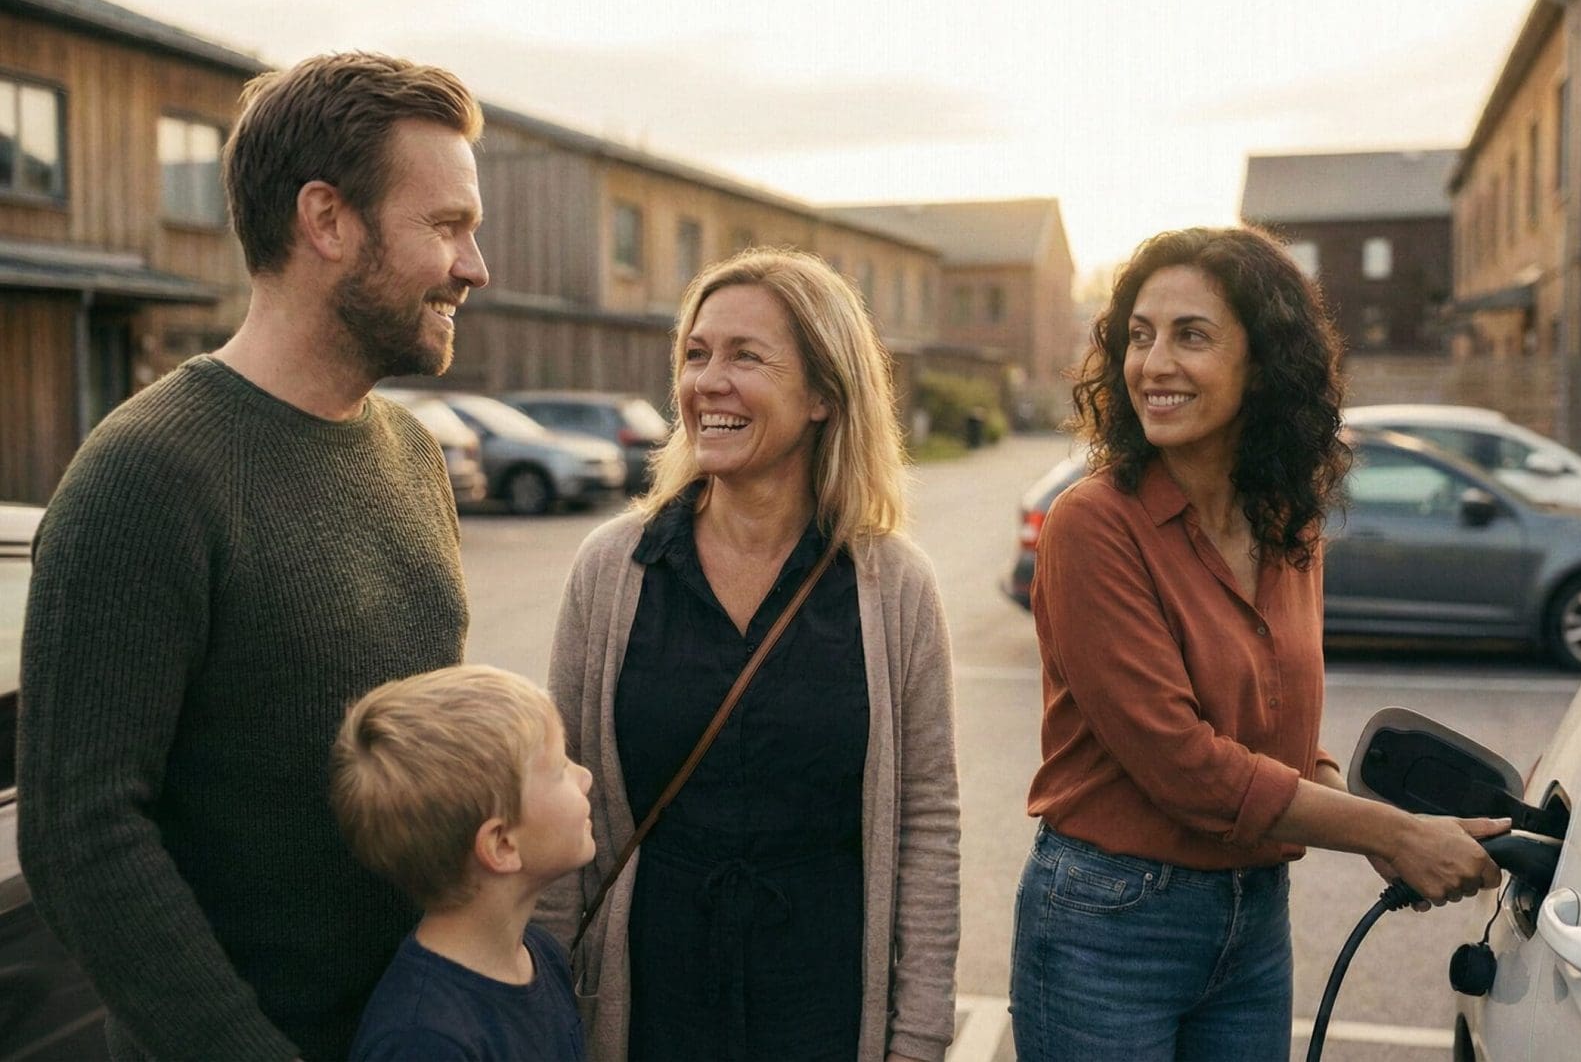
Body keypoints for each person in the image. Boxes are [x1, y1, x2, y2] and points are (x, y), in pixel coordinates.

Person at [17, 52, 488, 1059]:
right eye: (446, 227)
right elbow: (81, 834)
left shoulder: (412, 458)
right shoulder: (143, 478)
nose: (474, 267)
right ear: (327, 220)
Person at [1009, 226, 1507, 1060]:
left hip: (1252, 920)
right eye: (1139, 335)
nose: (1153, 363)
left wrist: (1375, 816)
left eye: (1191, 335)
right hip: (1106, 923)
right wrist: (1388, 836)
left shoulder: (1288, 521)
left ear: (1264, 361)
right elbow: (1186, 766)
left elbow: (1273, 731)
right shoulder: (1092, 525)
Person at [535, 249, 959, 1062]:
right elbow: (568, 797)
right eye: (696, 354)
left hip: (824, 1006)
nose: (707, 382)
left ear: (824, 398)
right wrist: (551, 999)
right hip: (651, 1005)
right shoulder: (614, 570)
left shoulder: (893, 586)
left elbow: (927, 823)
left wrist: (919, 1034)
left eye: (745, 356)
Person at [332, 665, 594, 1062]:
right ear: (502, 844)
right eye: (560, 768)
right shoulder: (423, 1042)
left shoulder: (539, 954)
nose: (586, 778)